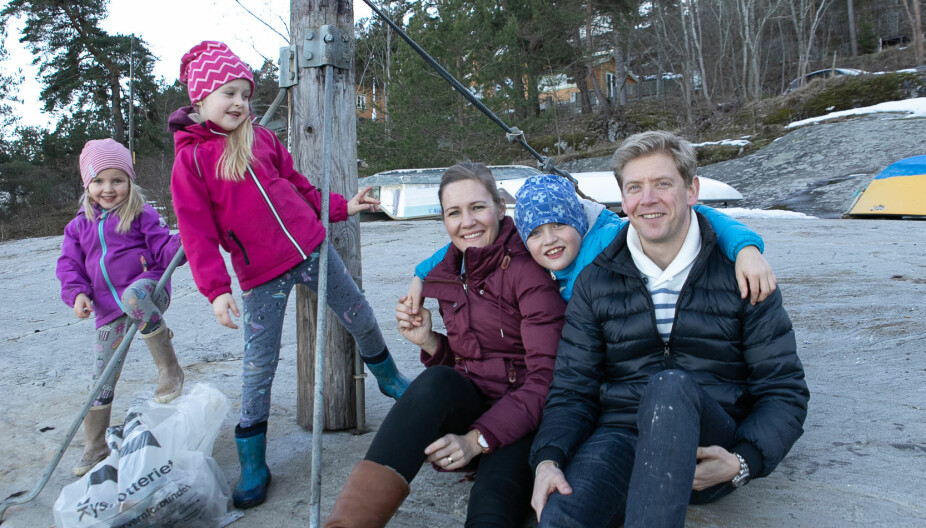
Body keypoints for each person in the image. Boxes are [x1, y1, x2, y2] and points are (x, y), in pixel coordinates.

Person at [168, 41, 411, 509]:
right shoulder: (192, 161)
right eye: (227, 93)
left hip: (313, 250)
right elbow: (196, 233)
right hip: (259, 276)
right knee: (259, 366)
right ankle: (254, 460)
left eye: (244, 93)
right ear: (200, 100)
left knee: (358, 312)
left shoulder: (261, 139)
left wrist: (342, 207)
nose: (239, 102)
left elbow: (300, 187)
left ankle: (389, 376)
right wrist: (217, 291)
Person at [529, 131, 810, 527]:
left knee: (670, 385)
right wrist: (548, 458)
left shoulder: (744, 275)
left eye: (662, 184)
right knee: (561, 514)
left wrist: (744, 461)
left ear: (691, 190)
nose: (648, 199)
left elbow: (783, 389)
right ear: (623, 200)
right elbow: (572, 388)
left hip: (708, 443)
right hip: (621, 435)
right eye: (635, 187)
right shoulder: (596, 281)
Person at [325, 162, 567, 528]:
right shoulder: (451, 274)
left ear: (501, 209)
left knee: (491, 506)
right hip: (475, 408)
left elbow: (546, 382)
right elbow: (469, 362)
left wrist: (477, 439)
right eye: (454, 212)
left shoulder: (529, 273)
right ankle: (349, 524)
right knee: (435, 381)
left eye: (478, 207)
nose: (466, 222)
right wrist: (430, 342)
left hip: (527, 421)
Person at [407, 173, 776, 308]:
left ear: (578, 223)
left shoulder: (612, 239)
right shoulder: (530, 247)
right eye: (535, 233)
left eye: (558, 226)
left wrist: (745, 249)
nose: (548, 240)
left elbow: (696, 217)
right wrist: (419, 277)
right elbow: (468, 247)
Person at [56, 138, 185, 476]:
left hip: (147, 291)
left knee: (133, 298)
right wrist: (77, 294)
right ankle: (95, 445)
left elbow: (163, 251)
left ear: (129, 180)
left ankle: (169, 369)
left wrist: (185, 240)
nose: (108, 188)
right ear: (87, 184)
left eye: (117, 180)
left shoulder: (141, 214)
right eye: (98, 181)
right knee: (102, 377)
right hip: (107, 310)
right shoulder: (77, 227)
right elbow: (70, 266)